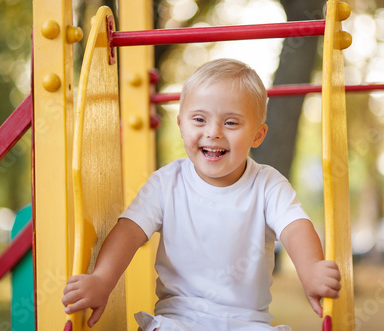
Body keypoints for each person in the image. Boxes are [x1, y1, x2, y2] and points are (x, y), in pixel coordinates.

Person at [62, 58, 341, 330]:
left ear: (258, 134)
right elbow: (128, 232)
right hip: (180, 317)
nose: (214, 132)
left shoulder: (268, 184)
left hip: (247, 322)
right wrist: (102, 279)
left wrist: (311, 269)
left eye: (231, 123)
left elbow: (295, 228)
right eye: (199, 119)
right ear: (181, 124)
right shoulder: (166, 183)